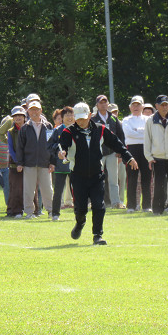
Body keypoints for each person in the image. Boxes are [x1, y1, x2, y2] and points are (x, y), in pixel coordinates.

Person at [58, 102, 138, 245]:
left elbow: (116, 143)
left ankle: (97, 235)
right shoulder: (68, 132)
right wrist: (61, 152)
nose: (81, 121)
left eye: (84, 118)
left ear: (90, 115)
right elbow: (61, 146)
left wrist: (129, 157)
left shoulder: (100, 130)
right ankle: (80, 223)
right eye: (78, 119)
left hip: (97, 175)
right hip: (78, 177)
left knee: (99, 206)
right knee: (81, 209)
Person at [143, 95, 168, 215]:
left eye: (166, 104)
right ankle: (157, 210)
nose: (164, 107)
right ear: (156, 106)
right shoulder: (150, 120)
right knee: (159, 185)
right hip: (158, 158)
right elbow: (147, 141)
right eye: (161, 105)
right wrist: (149, 158)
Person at [17, 100, 55, 219]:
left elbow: (53, 144)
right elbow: (20, 147)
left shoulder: (48, 126)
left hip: (45, 163)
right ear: (28, 111)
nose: (34, 112)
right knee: (29, 190)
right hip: (29, 163)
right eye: (32, 109)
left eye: (36, 109)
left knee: (47, 189)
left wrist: (53, 162)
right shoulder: (24, 128)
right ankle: (29, 212)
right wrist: (20, 163)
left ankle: (51, 211)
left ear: (41, 110)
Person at [91, 95, 126, 209]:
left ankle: (116, 202)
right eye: (101, 103)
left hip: (112, 153)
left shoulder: (114, 118)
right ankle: (95, 202)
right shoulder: (92, 119)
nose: (103, 104)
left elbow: (120, 135)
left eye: (105, 102)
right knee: (96, 178)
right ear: (97, 105)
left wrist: (120, 151)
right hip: (97, 153)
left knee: (113, 179)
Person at [122, 95, 152, 213]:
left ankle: (146, 205)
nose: (136, 107)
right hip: (131, 149)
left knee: (147, 177)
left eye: (138, 105)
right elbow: (128, 134)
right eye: (133, 105)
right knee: (132, 178)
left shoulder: (148, 120)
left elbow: (149, 134)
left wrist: (136, 131)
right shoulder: (126, 120)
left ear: (142, 106)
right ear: (130, 107)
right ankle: (131, 205)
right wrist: (141, 132)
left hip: (145, 149)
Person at [48, 106, 75, 221]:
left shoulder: (78, 129)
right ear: (62, 118)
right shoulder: (57, 130)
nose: (69, 117)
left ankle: (79, 212)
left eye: (71, 115)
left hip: (75, 165)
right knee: (58, 190)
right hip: (61, 165)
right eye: (66, 115)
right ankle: (55, 214)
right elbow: (49, 146)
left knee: (77, 190)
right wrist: (58, 150)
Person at [6, 106, 27, 218]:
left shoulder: (29, 129)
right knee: (16, 188)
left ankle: (32, 210)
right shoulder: (10, 132)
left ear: (24, 117)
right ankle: (14, 211)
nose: (18, 117)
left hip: (29, 163)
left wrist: (25, 161)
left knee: (29, 188)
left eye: (20, 115)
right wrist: (19, 162)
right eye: (15, 116)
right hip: (15, 164)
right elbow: (11, 148)